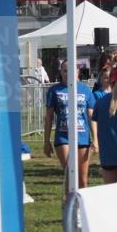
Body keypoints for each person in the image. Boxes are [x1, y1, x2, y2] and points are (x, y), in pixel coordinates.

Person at [43, 60, 97, 193]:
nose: (68, 73)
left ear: (77, 72)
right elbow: (48, 117)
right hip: (63, 137)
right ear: (61, 72)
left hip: (82, 137)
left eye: (71, 70)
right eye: (65, 70)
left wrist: (95, 138)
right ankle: (69, 207)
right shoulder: (54, 90)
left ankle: (81, 208)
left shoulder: (85, 90)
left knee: (82, 179)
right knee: (69, 173)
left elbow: (91, 116)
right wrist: (46, 141)